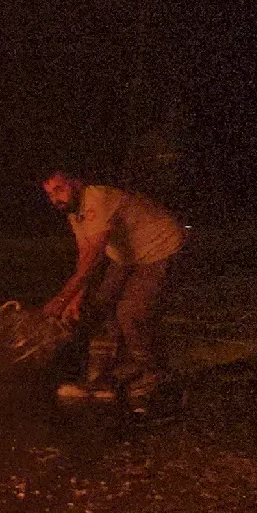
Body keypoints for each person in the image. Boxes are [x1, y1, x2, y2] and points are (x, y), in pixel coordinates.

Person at [41, 170, 186, 402]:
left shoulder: (96, 198)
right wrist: (76, 299)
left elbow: (95, 255)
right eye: (49, 195)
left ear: (76, 182)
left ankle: (158, 377)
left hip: (160, 248)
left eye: (60, 189)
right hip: (128, 256)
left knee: (131, 312)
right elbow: (84, 256)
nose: (56, 199)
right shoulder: (75, 214)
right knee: (97, 305)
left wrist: (62, 298)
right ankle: (107, 376)